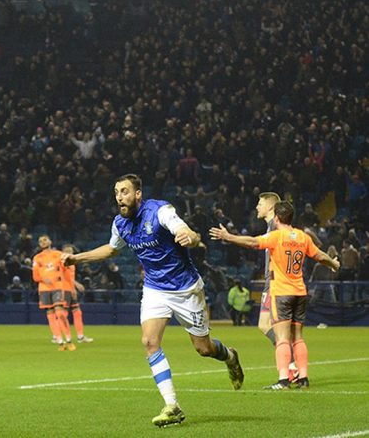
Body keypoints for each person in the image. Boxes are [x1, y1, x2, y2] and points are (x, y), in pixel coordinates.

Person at [62, 174, 243, 427]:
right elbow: (112, 249)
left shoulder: (160, 210)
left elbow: (185, 231)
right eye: (116, 192)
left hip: (185, 288)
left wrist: (189, 237)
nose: (119, 197)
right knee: (149, 341)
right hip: (155, 289)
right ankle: (172, 406)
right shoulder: (120, 223)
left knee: (204, 349)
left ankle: (230, 357)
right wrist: (77, 258)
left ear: (138, 194)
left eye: (124, 191)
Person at [210, 201, 340, 390]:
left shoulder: (276, 236)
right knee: (298, 337)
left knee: (282, 338)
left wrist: (228, 237)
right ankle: (303, 378)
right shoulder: (303, 237)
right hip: (300, 293)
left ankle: (283, 380)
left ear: (277, 218)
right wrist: (334, 264)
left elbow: (253, 242)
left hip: (281, 293)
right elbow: (320, 255)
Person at [253, 192, 298, 380]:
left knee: (267, 326)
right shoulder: (275, 228)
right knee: (272, 327)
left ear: (271, 207)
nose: (257, 206)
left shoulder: (276, 229)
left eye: (260, 203)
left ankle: (292, 364)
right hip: (275, 283)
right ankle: (293, 365)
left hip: (275, 283)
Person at [32, 235, 75, 351]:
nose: (42, 242)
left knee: (60, 313)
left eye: (45, 239)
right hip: (44, 289)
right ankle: (60, 342)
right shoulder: (37, 258)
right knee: (50, 316)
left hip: (57, 287)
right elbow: (35, 276)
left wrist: (71, 287)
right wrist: (41, 278)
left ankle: (69, 340)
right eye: (40, 241)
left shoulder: (58, 255)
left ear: (50, 241)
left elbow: (66, 272)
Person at [62, 244, 93, 343]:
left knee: (77, 312)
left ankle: (80, 336)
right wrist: (76, 285)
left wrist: (74, 287)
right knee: (63, 313)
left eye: (71, 252)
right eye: (67, 251)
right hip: (64, 290)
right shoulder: (62, 263)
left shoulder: (71, 264)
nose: (69, 253)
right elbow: (64, 277)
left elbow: (70, 278)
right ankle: (59, 336)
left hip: (70, 290)